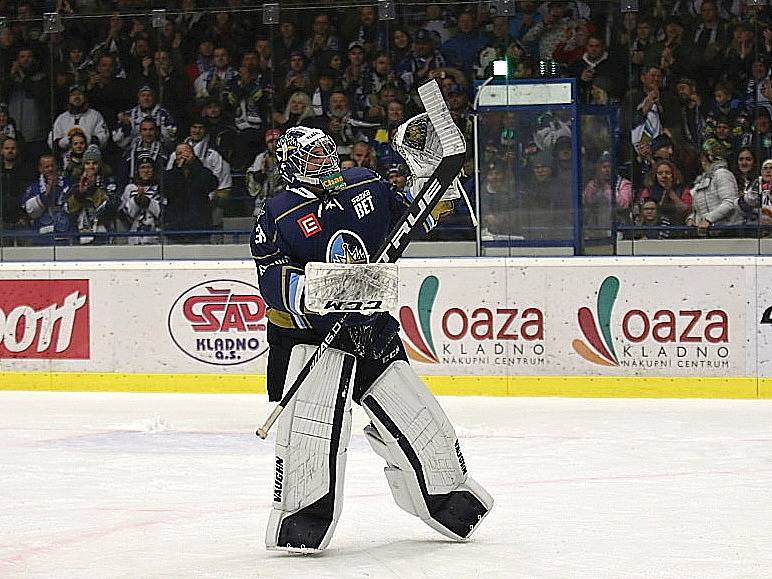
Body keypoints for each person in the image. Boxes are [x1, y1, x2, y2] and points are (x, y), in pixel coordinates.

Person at [249, 123, 492, 553]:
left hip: (373, 333)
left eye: (328, 154)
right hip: (316, 341)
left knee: (423, 423)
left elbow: (421, 215)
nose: (325, 163)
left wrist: (433, 179)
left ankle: (449, 500)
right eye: (312, 159)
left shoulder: (364, 185)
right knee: (312, 436)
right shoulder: (277, 212)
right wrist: (320, 291)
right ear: (290, 165)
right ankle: (298, 525)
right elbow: (271, 277)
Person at [687, 138, 742, 236]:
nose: (701, 161)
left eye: (703, 157)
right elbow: (698, 209)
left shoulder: (722, 174)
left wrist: (708, 219)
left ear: (708, 157)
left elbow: (730, 202)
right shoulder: (702, 179)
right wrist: (692, 218)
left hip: (725, 232)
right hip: (705, 233)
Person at [21, 153, 72, 236]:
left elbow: (73, 208)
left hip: (65, 232)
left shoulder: (67, 183)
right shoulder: (34, 188)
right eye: (47, 167)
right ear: (40, 169)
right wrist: (47, 191)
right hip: (41, 235)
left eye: (52, 166)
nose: (50, 169)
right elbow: (31, 211)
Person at [49, 85, 110, 154]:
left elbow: (104, 137)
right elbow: (52, 141)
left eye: (80, 94)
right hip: (67, 159)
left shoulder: (95, 115)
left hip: (90, 158)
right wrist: (66, 141)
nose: (76, 97)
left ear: (85, 97)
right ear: (68, 98)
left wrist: (86, 140)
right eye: (73, 95)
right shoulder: (61, 118)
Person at [119, 155, 165, 245]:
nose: (146, 171)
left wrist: (148, 202)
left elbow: (164, 213)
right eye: (142, 168)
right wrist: (136, 201)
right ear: (138, 171)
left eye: (149, 167)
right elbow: (124, 216)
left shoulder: (161, 187)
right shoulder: (130, 188)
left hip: (156, 240)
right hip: (134, 239)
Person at [639, 159, 692, 228]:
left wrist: (670, 191)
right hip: (654, 229)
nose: (664, 176)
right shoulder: (648, 191)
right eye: (660, 173)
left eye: (667, 173)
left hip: (678, 228)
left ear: (673, 175)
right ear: (655, 175)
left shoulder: (683, 190)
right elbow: (643, 212)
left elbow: (685, 211)